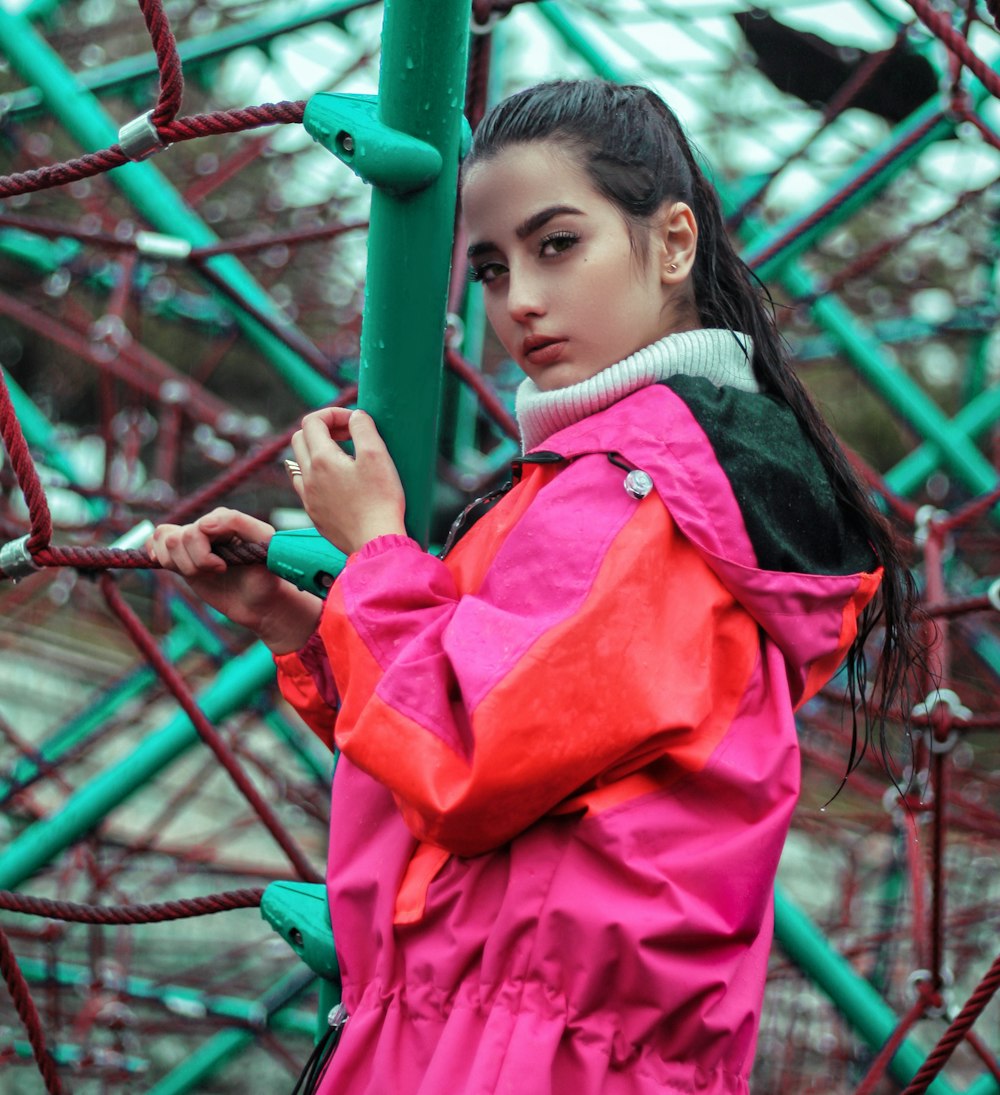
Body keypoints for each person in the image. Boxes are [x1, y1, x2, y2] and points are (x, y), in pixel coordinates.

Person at [148, 80, 922, 1095]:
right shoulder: (598, 485)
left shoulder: (653, 496)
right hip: (485, 1023)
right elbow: (486, 744)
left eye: (558, 245)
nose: (519, 299)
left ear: (675, 243)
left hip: (527, 1050)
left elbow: (470, 759)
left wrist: (376, 547)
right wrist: (293, 621)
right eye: (491, 267)